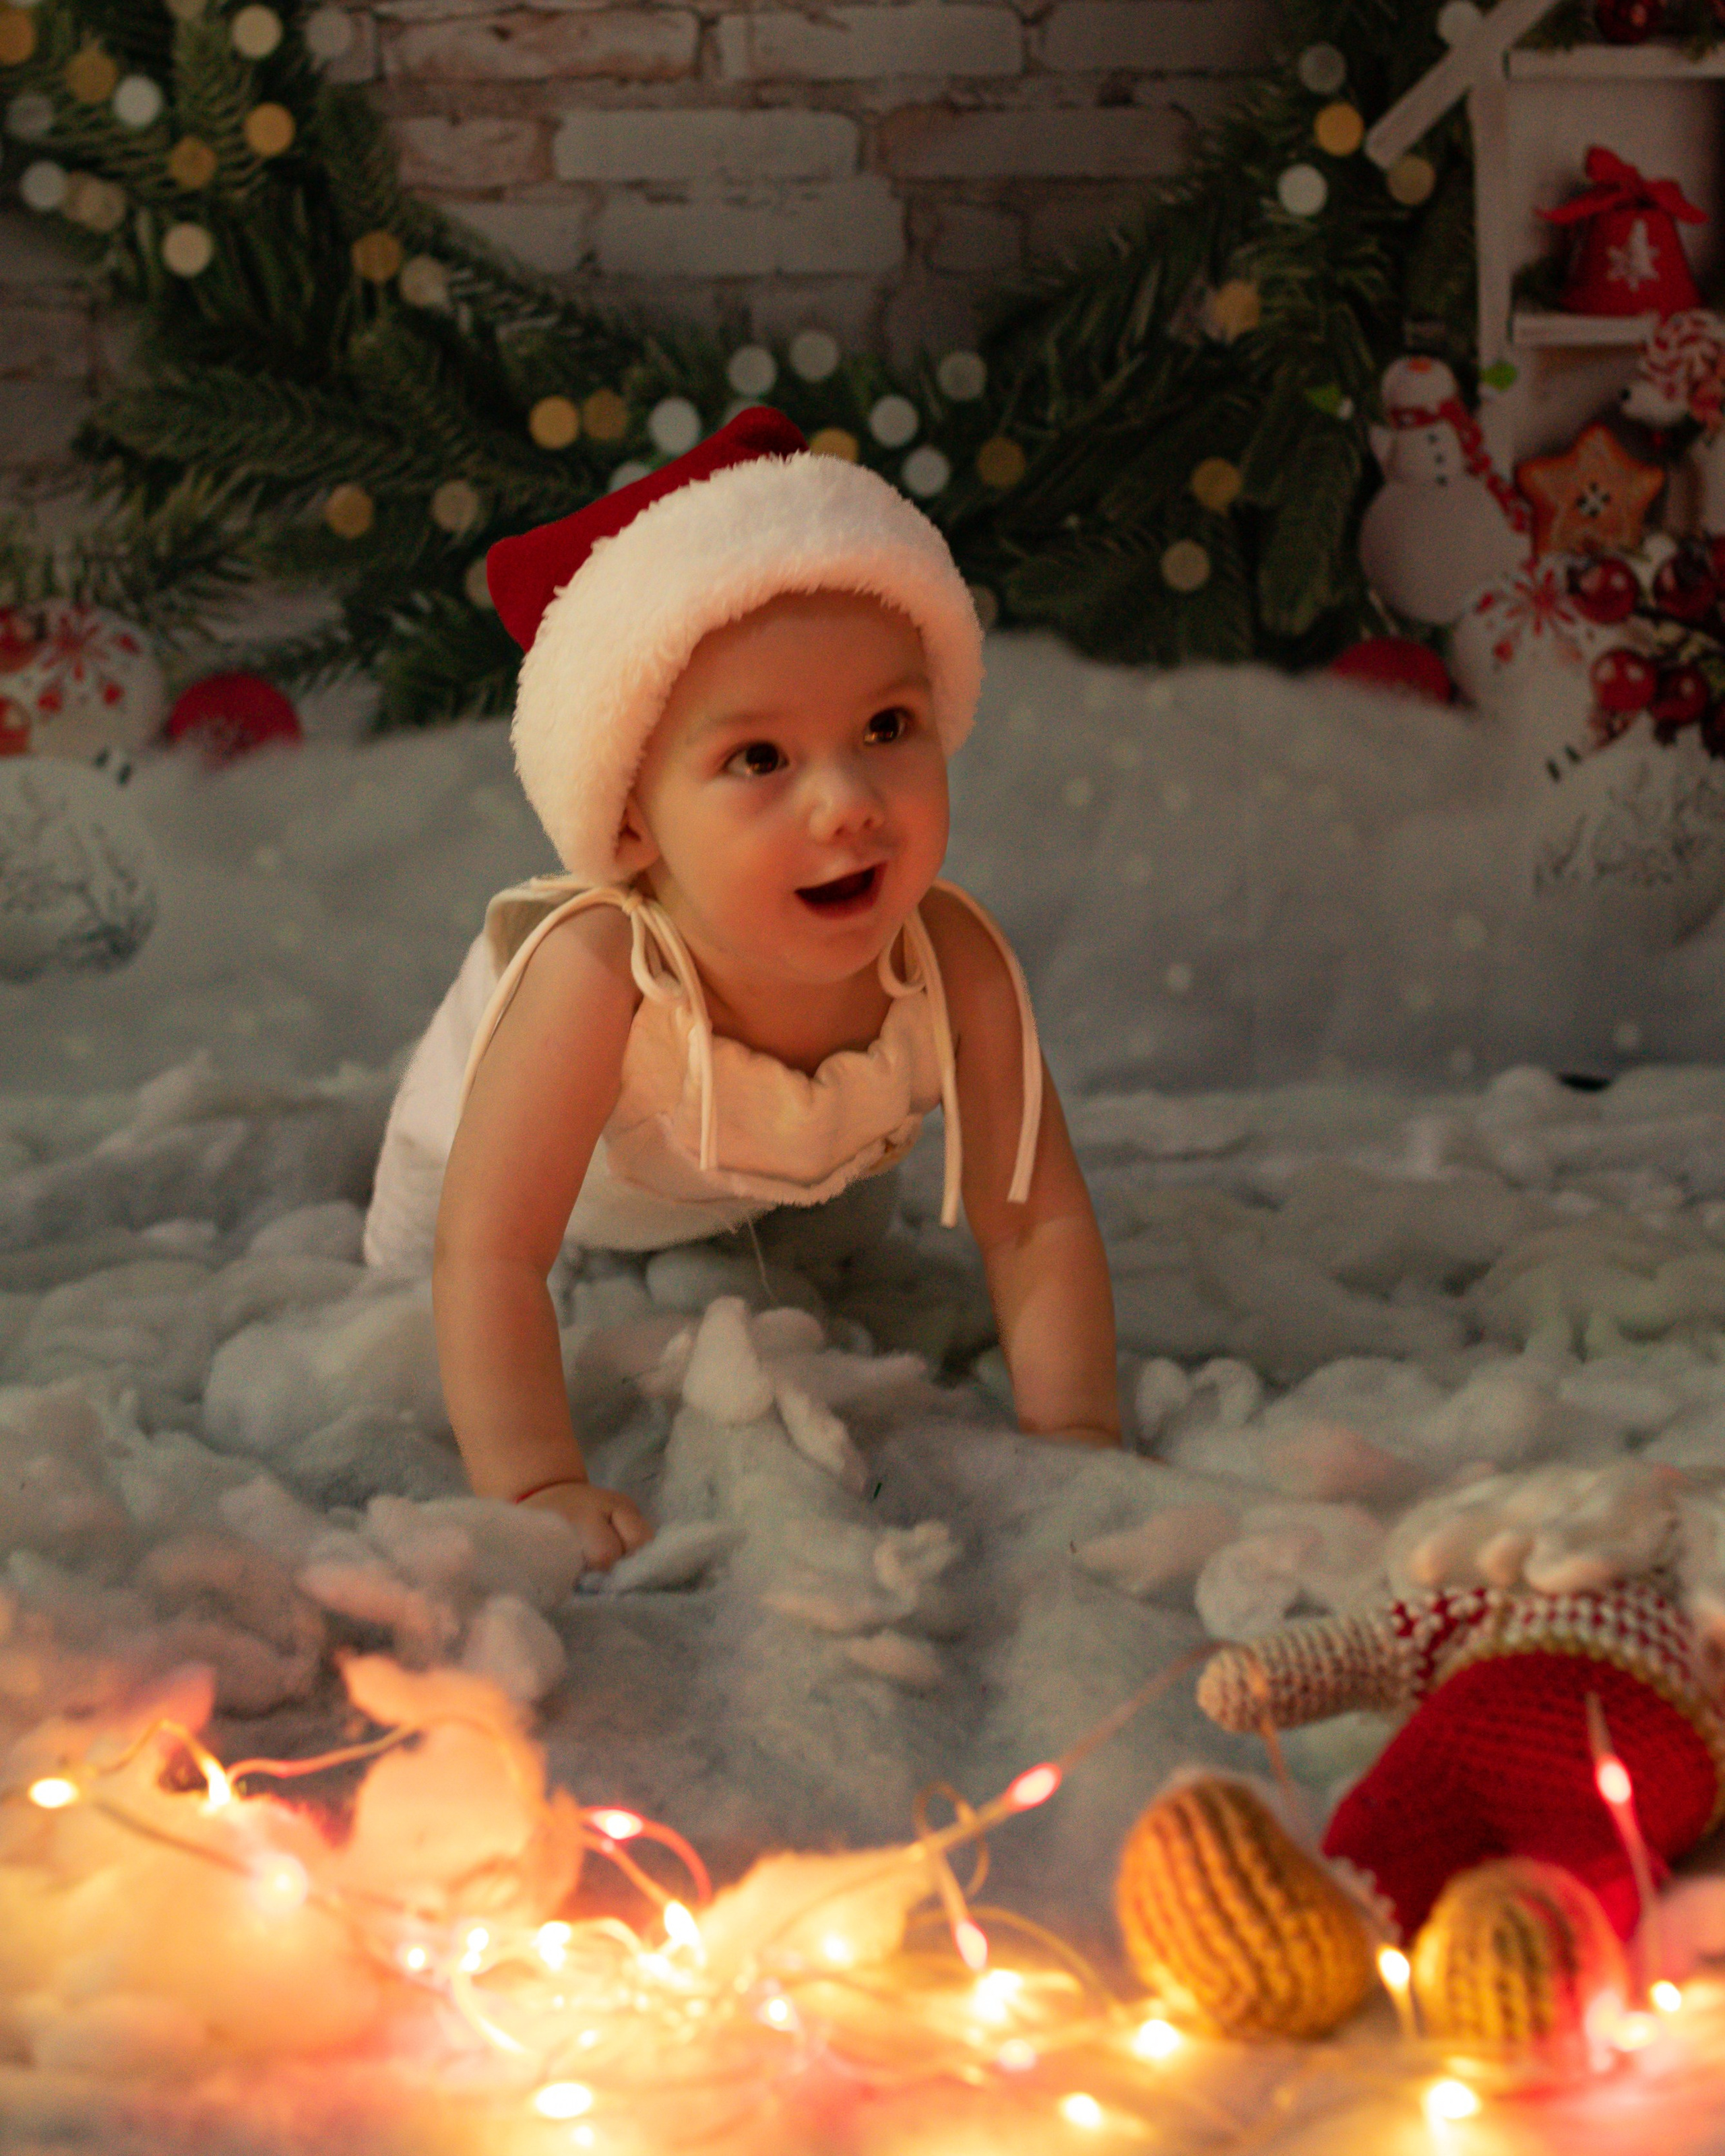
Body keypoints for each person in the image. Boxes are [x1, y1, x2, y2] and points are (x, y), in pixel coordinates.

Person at [363, 408, 1120, 1571]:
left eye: (888, 726)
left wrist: (1076, 1438)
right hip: (521, 1152)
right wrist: (538, 1479)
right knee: (403, 1293)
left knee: (832, 1240)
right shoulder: (595, 974)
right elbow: (492, 1250)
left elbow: (1035, 1220)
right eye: (759, 758)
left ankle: (768, 1204)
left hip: (777, 1172)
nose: (850, 803)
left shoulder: (954, 962)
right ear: (628, 820)